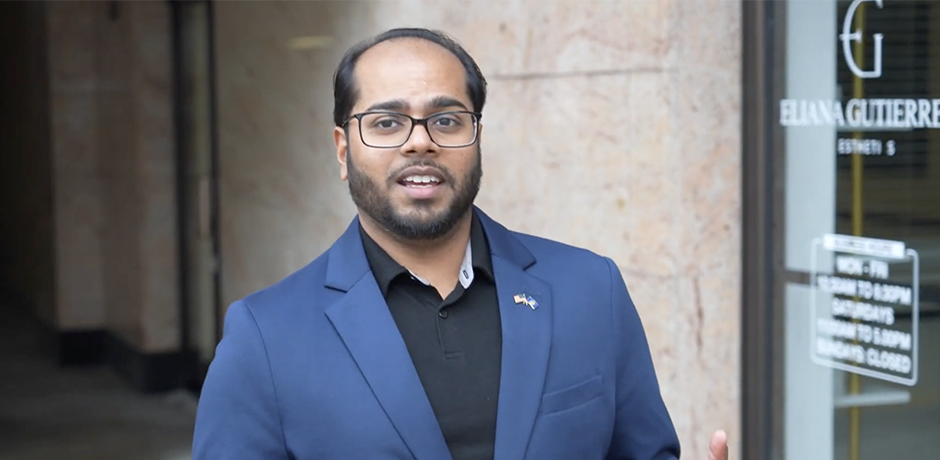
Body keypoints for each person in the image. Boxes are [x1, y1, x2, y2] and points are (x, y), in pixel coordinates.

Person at [193, 27, 729, 460]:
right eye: (386, 121)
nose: (420, 140)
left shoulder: (590, 289)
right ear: (342, 149)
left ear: (476, 137)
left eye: (447, 119)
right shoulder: (265, 336)